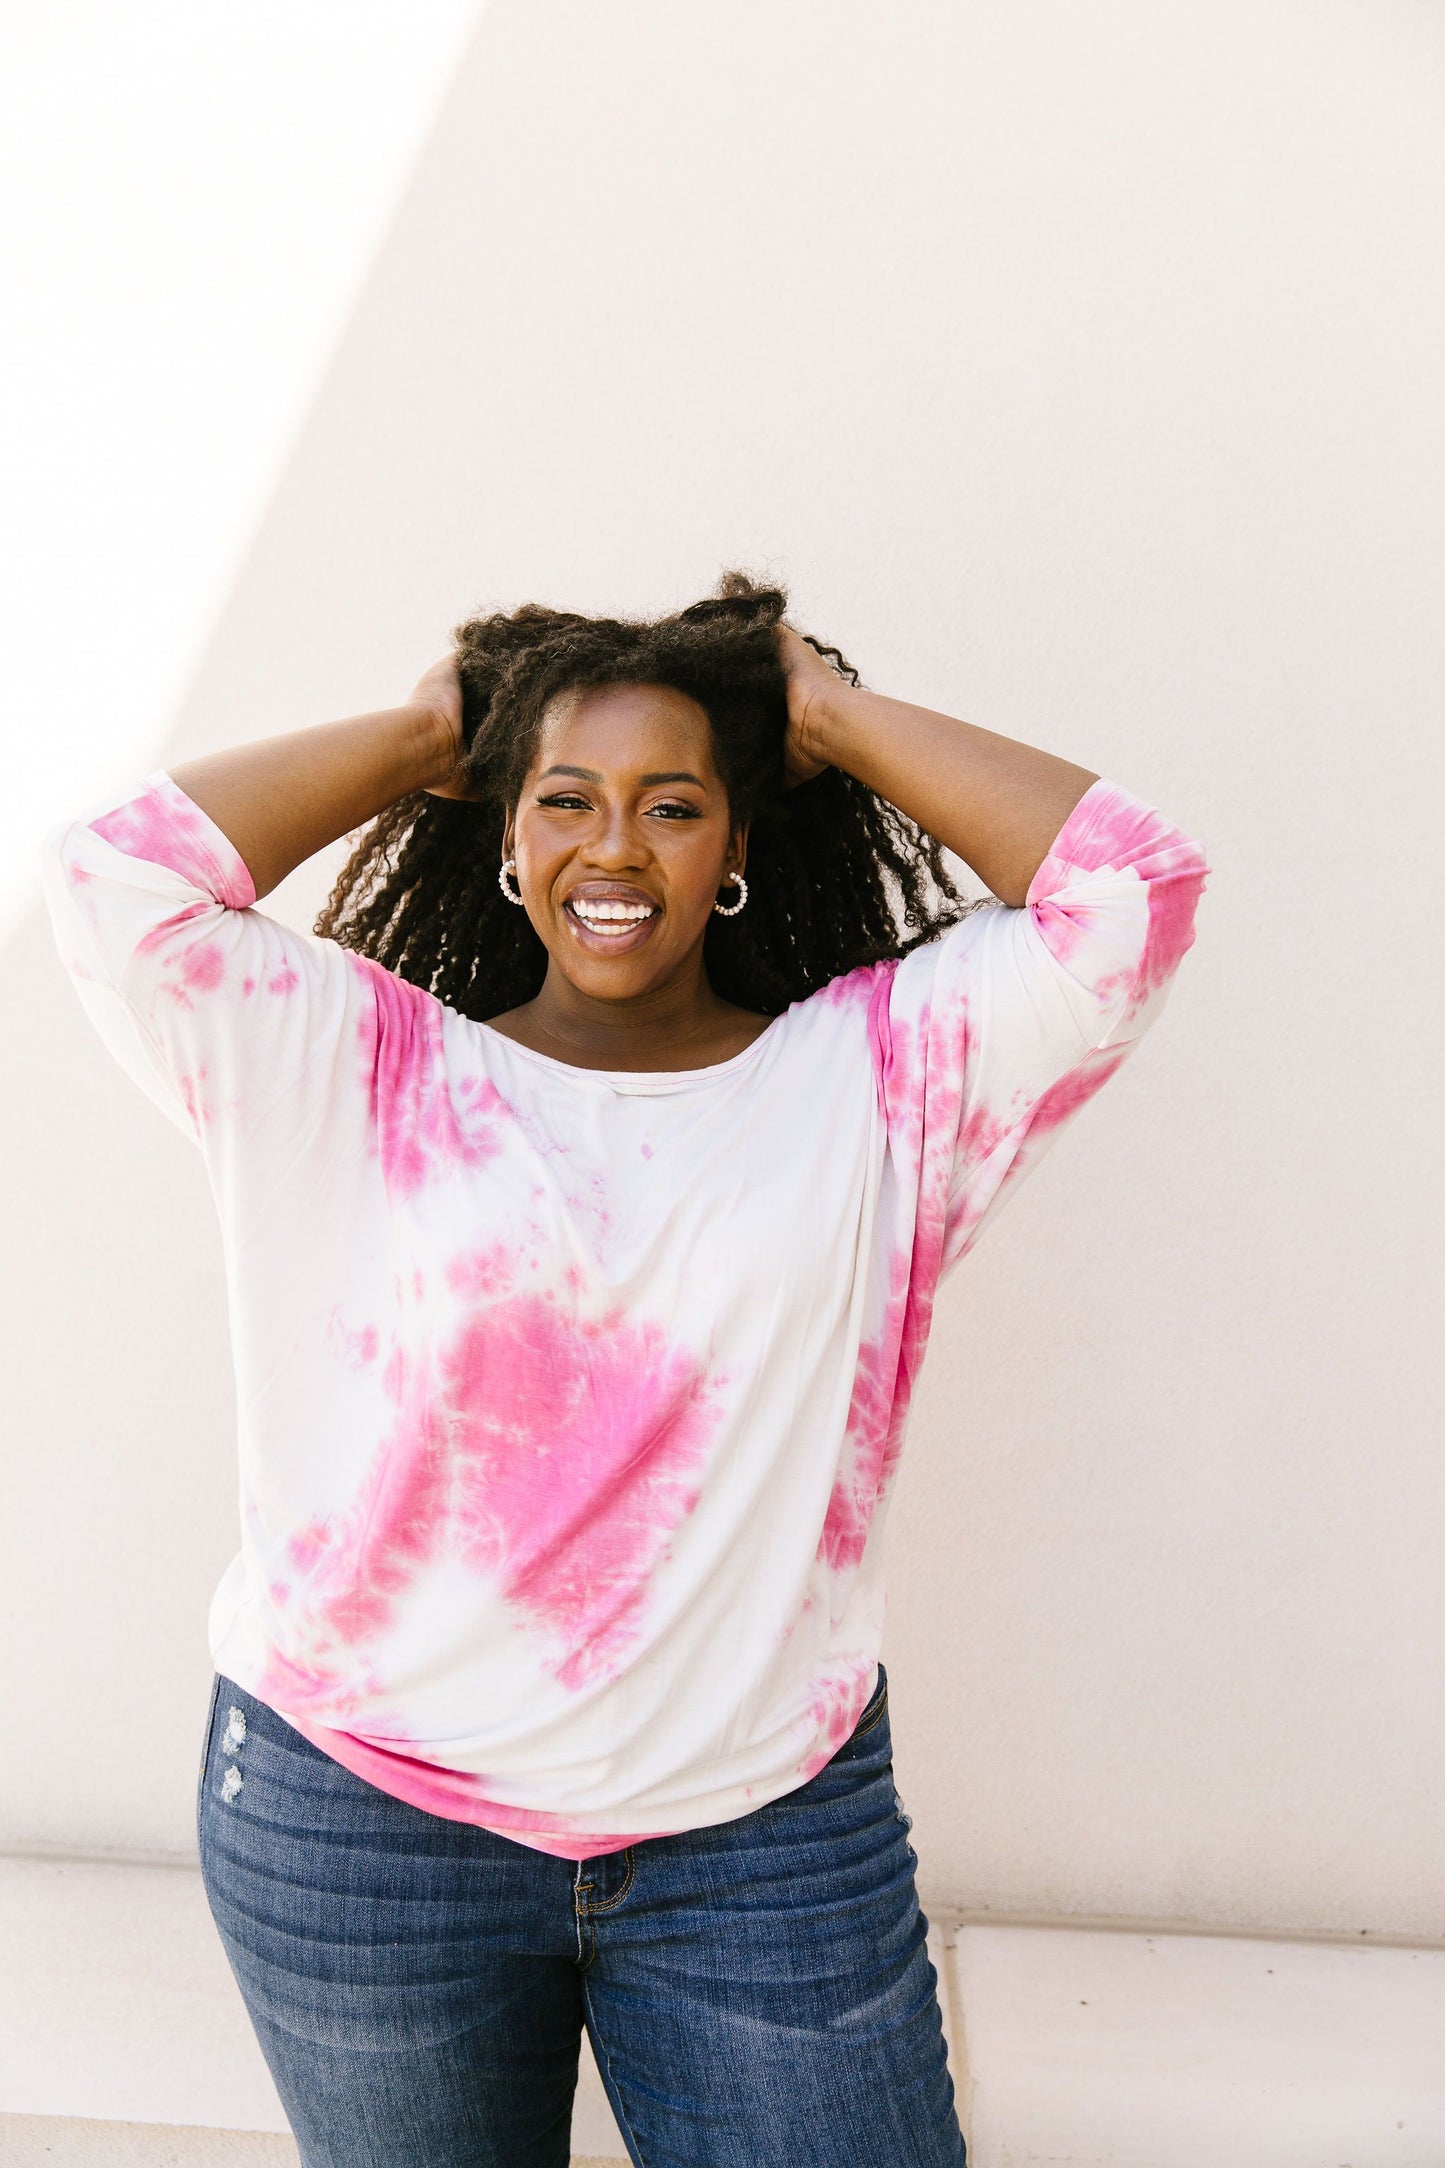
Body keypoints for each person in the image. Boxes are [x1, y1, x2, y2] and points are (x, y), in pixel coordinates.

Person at [38, 570, 1210, 2167]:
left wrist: (822, 712)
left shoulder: (881, 1075)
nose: (613, 847)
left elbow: (1131, 888)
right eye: (564, 800)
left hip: (761, 1835)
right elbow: (116, 882)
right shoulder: (349, 1060)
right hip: (360, 1827)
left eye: (673, 804)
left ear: (735, 846)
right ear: (503, 835)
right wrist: (420, 730)